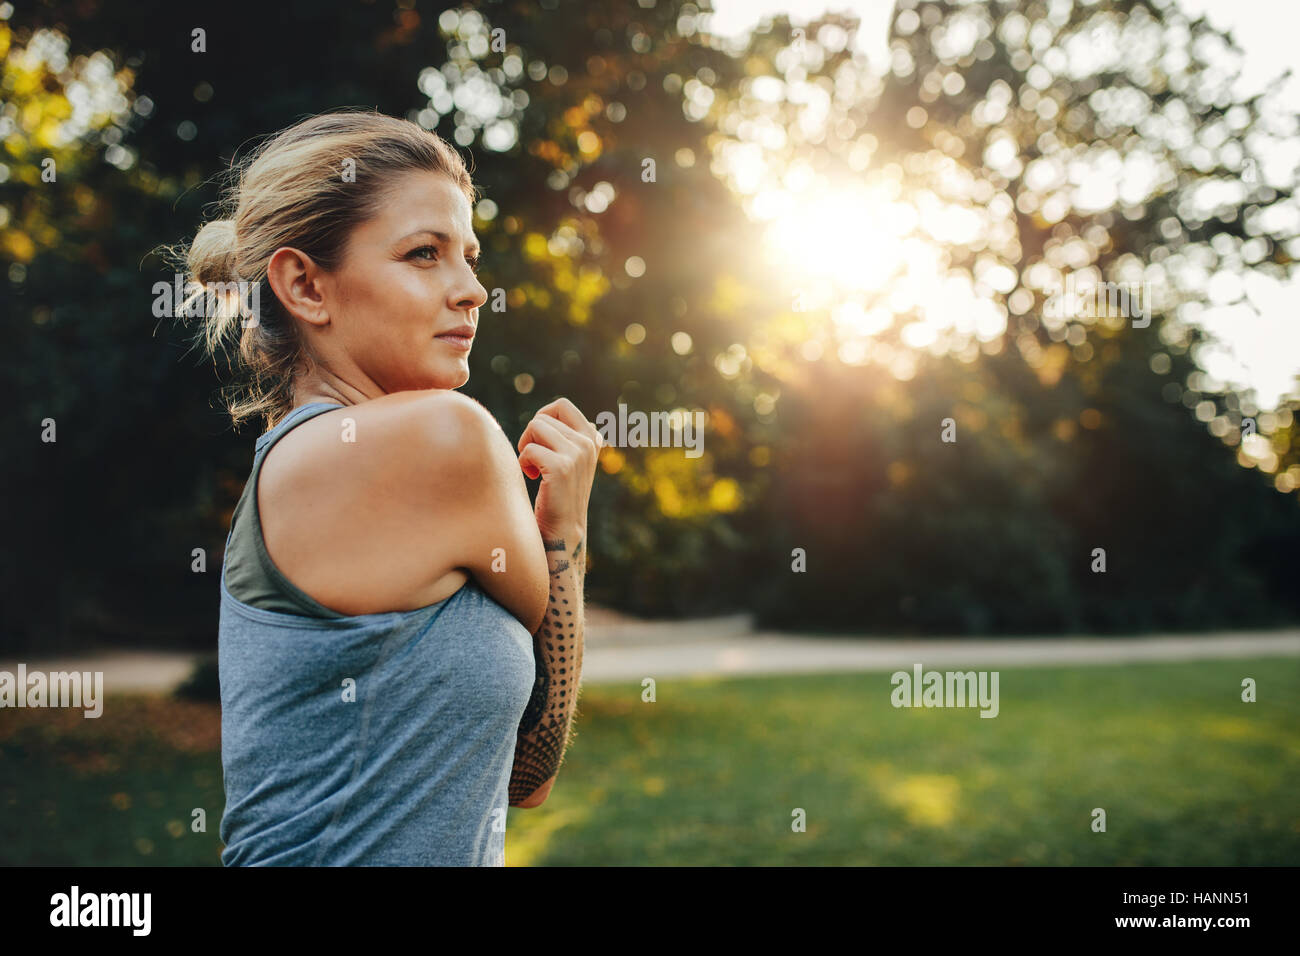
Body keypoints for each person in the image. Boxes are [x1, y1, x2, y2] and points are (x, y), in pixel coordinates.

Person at [175, 108, 600, 865]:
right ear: (306, 286)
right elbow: (544, 743)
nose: (472, 290)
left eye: (469, 256)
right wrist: (564, 531)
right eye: (424, 254)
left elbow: (525, 777)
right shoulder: (448, 439)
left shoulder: (321, 464)